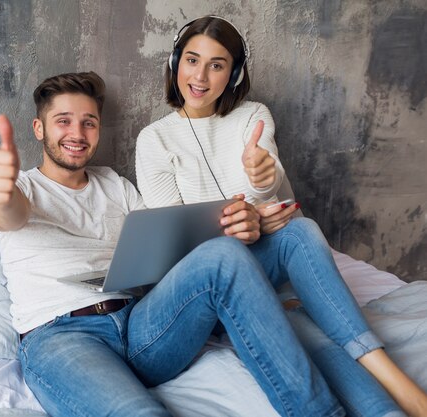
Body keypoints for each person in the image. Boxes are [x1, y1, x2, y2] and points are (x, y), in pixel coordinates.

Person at [0, 71, 345, 417]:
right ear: (39, 129)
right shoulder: (20, 188)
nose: (78, 132)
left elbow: (169, 250)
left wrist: (238, 224)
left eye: (89, 122)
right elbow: (8, 213)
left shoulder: (115, 185)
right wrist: (1, 191)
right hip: (63, 337)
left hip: (141, 325)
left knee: (223, 254)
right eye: (64, 121)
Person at [135, 15, 427, 417]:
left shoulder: (253, 115)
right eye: (191, 60)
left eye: (217, 64)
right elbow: (176, 247)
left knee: (301, 232)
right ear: (174, 63)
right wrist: (248, 224)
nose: (200, 76)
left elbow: (278, 200)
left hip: (261, 264)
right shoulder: (154, 139)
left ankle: (397, 387)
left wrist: (261, 178)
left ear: (234, 74)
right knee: (309, 337)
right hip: (209, 284)